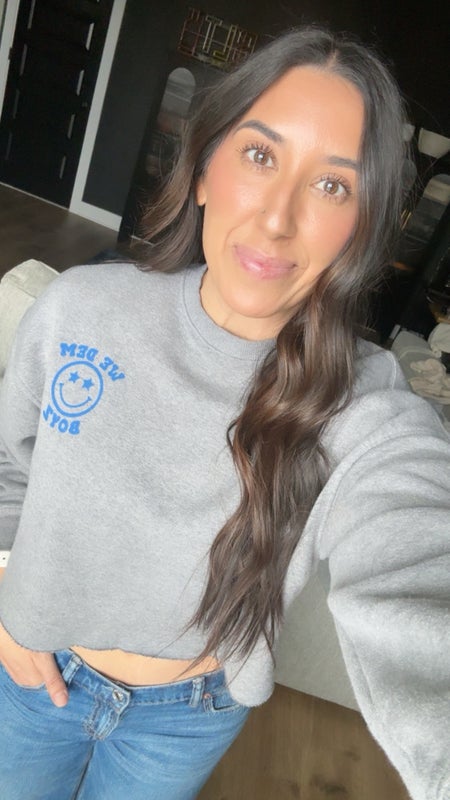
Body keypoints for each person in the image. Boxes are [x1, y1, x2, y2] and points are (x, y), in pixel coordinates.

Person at [0, 25, 449, 800]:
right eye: (261, 155)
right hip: (29, 672)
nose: (278, 218)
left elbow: (417, 545)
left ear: (360, 230)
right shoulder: (81, 310)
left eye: (332, 186)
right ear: (206, 168)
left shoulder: (363, 403)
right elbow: (7, 463)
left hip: (186, 719)